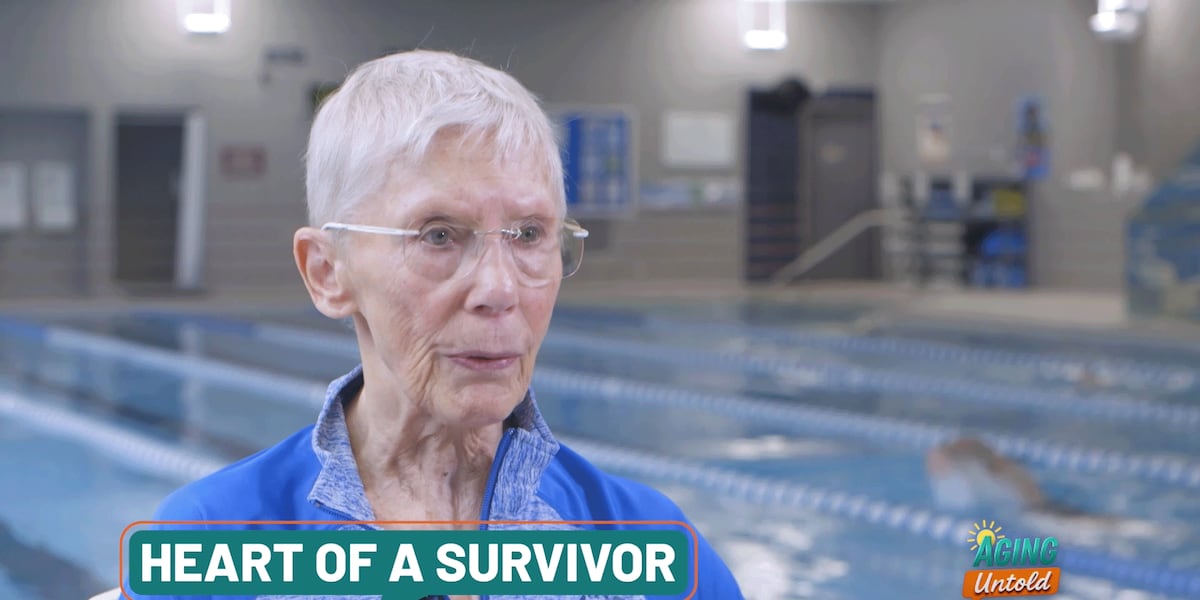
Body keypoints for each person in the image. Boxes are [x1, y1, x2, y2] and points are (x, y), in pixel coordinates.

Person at [129, 49, 743, 599]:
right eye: (439, 235)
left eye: (530, 234)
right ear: (327, 271)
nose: (499, 289)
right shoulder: (213, 539)